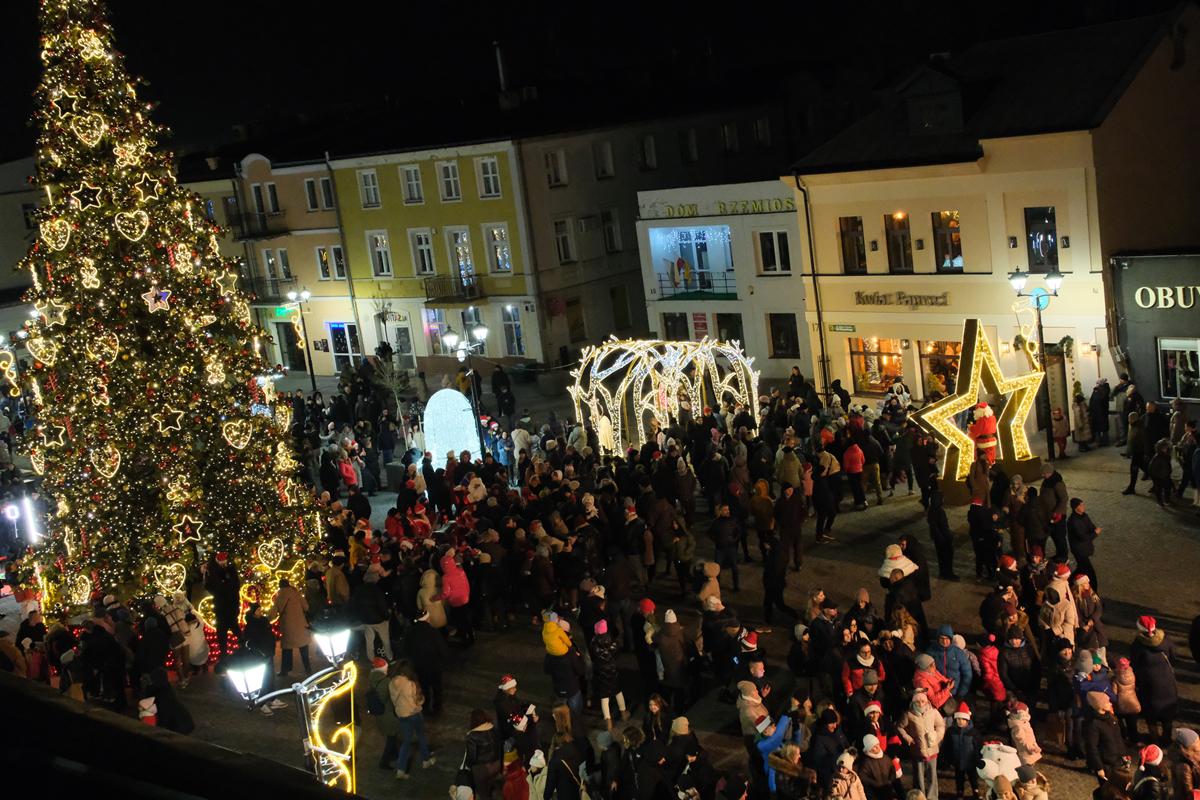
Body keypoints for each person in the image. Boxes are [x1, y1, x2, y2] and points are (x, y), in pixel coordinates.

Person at [1129, 615, 1178, 745]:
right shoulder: (1165, 639)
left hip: (1148, 685)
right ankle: (1167, 739)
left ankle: (1155, 741)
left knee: (1150, 716)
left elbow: (1134, 664)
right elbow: (1174, 657)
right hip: (1167, 683)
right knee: (1167, 715)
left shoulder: (1138, 645)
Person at [391, 660, 435, 779]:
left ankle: (401, 769)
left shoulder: (392, 683)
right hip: (414, 714)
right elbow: (417, 700)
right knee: (421, 736)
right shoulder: (410, 683)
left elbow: (394, 700)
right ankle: (426, 760)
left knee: (406, 742)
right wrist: (422, 701)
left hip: (402, 715)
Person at [898, 689, 944, 800]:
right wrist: (907, 737)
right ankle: (920, 796)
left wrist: (937, 736)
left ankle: (933, 797)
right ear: (913, 702)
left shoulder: (933, 712)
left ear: (927, 701)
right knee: (918, 776)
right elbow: (900, 727)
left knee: (932, 775)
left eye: (923, 701)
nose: (920, 704)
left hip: (932, 749)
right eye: (917, 702)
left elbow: (941, 725)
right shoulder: (909, 714)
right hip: (917, 750)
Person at [271, 578, 312, 676]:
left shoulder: (279, 597)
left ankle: (285, 670)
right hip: (300, 625)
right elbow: (306, 607)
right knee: (303, 647)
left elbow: (273, 613)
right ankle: (308, 669)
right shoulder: (296, 594)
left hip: (287, 627)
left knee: (287, 649)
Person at [204, 552, 241, 659]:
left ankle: (244, 646)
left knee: (233, 628)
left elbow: (236, 586)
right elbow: (209, 587)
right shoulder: (213, 572)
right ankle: (225, 654)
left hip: (230, 605)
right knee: (223, 631)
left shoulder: (230, 570)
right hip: (222, 606)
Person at [464, 708, 502, 800]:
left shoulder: (471, 736)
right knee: (490, 785)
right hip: (497, 765)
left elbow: (471, 757)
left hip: (482, 769)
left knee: (484, 794)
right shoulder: (494, 730)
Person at [1067, 498, 1101, 589]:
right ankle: (1094, 589)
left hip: (1084, 548)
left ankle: (1068, 582)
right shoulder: (1073, 521)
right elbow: (1083, 537)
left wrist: (1093, 532)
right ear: (1076, 508)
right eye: (1081, 505)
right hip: (1079, 550)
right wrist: (1094, 533)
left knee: (1081, 568)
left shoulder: (1084, 516)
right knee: (1090, 572)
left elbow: (1092, 527)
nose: (1083, 506)